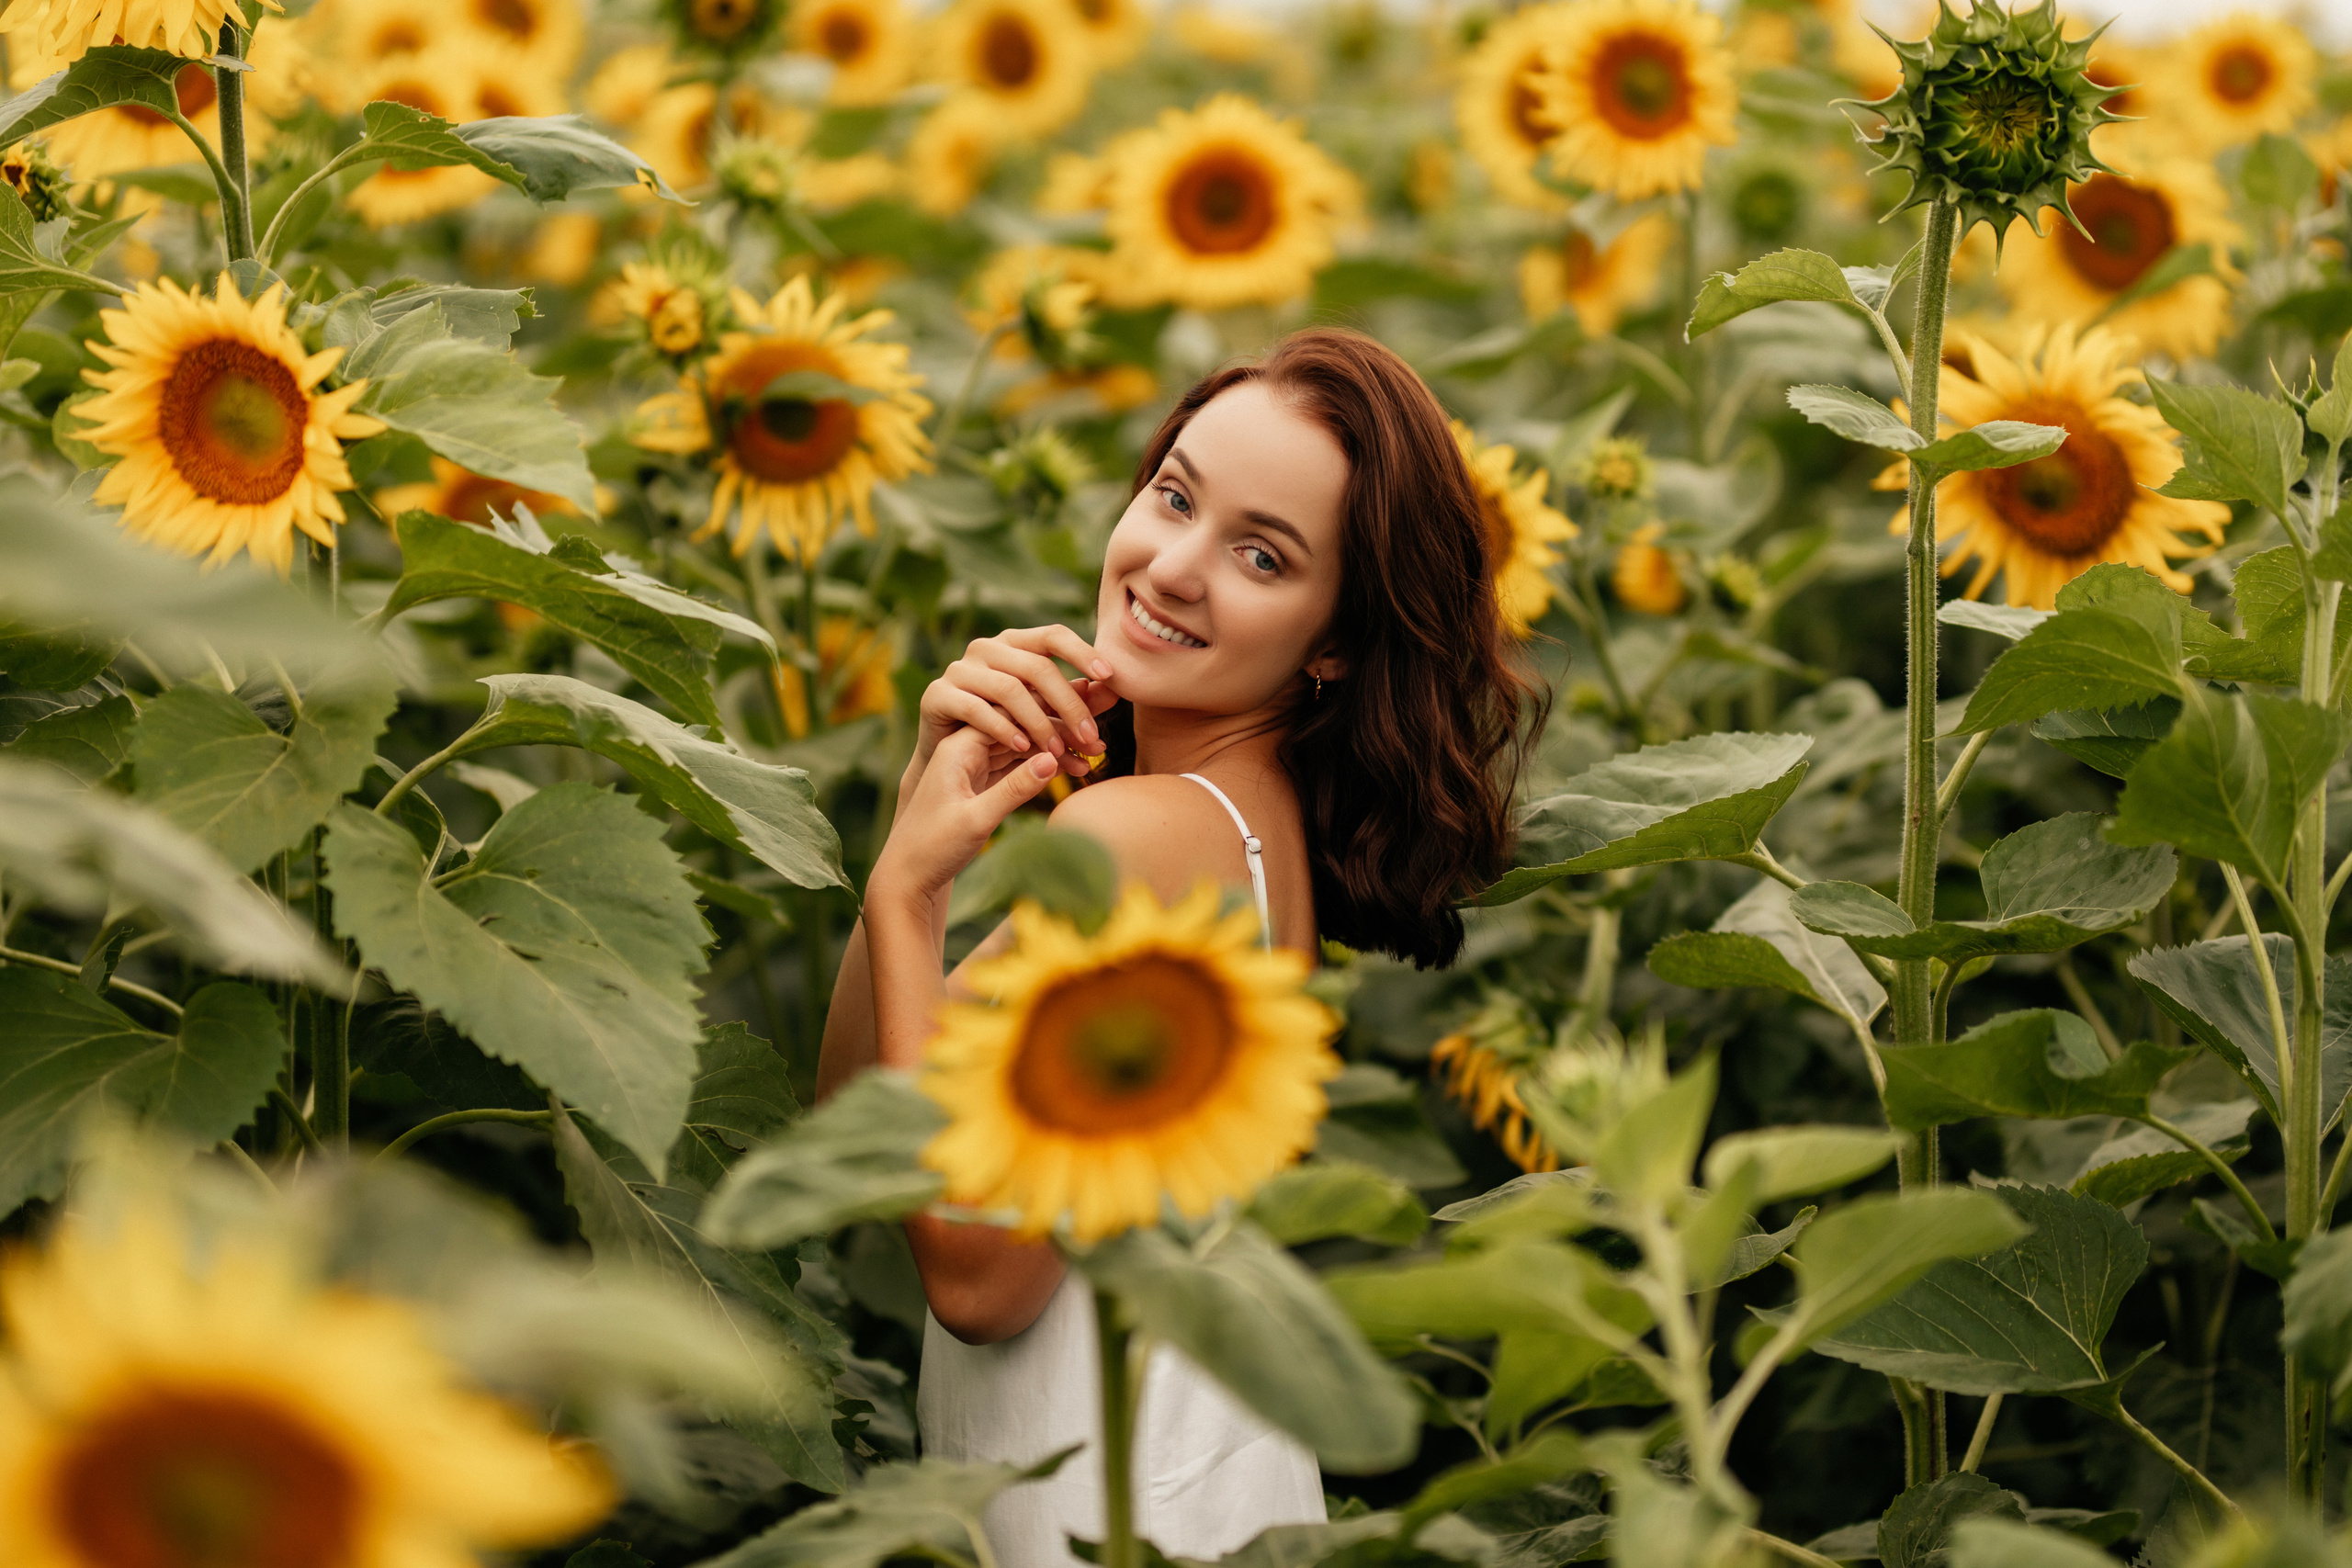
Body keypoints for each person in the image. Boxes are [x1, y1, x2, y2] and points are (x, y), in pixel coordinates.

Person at [815, 326, 1540, 1566]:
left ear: (1334, 642)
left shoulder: (1139, 832)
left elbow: (978, 1283)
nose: (1175, 566)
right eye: (1175, 495)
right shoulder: (1245, 834)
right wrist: (915, 820)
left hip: (1100, 1514)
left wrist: (907, 899)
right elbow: (856, 1123)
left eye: (1262, 554)